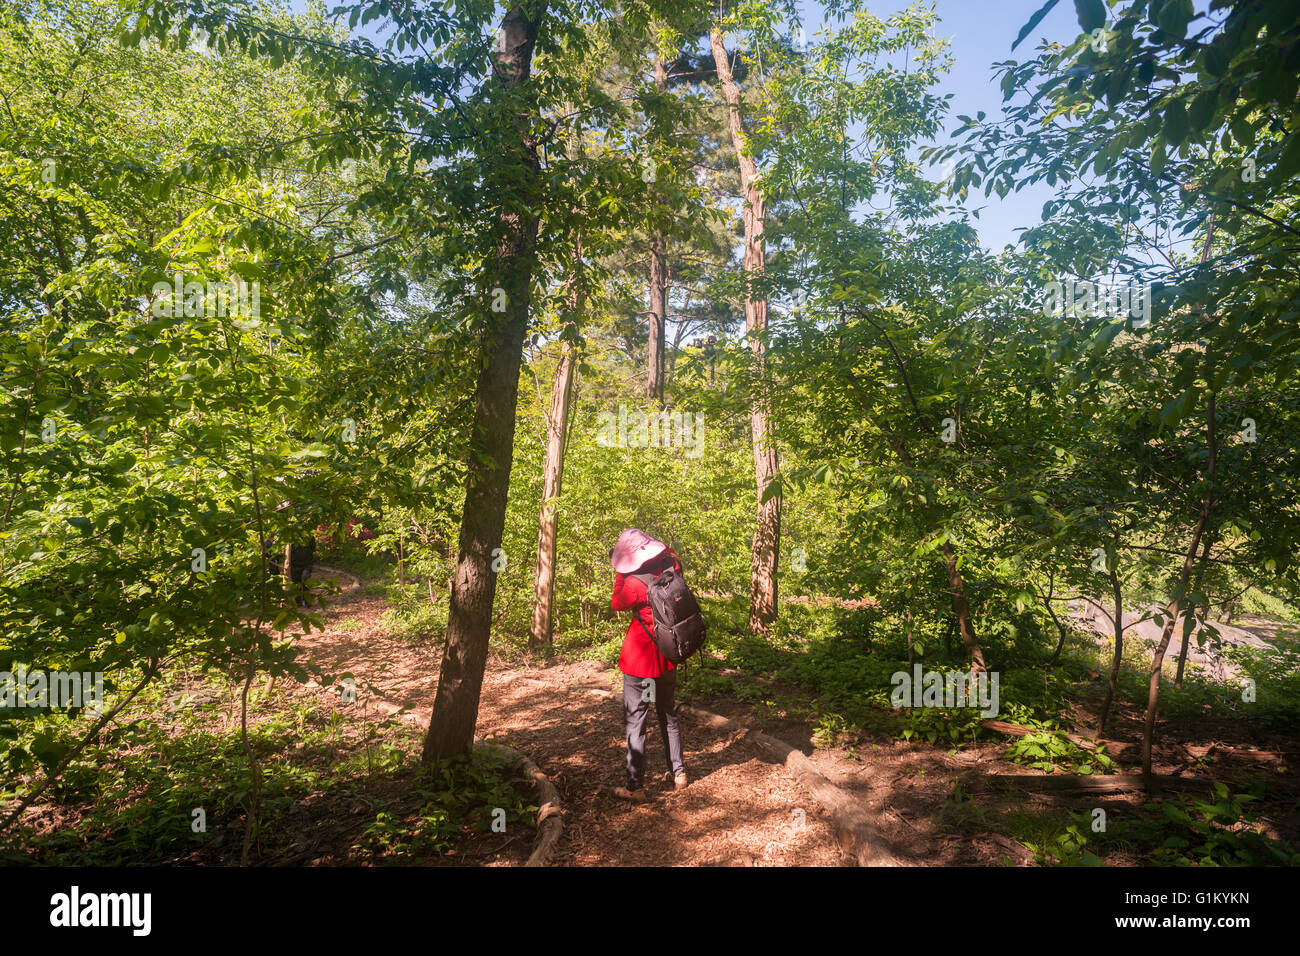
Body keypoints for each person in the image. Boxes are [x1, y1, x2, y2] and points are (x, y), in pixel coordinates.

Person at [609, 528, 687, 802]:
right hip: (668, 651)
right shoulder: (671, 565)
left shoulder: (633, 584)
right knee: (669, 714)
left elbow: (616, 603)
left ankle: (636, 787)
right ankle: (678, 773)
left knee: (636, 720)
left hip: (639, 658)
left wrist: (622, 574)